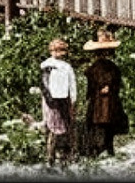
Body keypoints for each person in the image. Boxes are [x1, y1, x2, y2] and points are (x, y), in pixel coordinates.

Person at [81, 29, 129, 157]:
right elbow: (91, 81)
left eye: (106, 52)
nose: (104, 54)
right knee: (98, 124)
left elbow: (117, 81)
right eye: (102, 52)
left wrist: (110, 87)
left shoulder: (112, 67)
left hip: (110, 99)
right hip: (98, 100)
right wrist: (99, 88)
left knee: (109, 124)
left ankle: (108, 147)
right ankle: (97, 148)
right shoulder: (95, 67)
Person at [39, 37, 76, 165]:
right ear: (51, 51)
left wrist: (73, 99)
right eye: (55, 50)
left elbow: (72, 84)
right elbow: (44, 85)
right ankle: (50, 156)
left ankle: (67, 154)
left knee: (67, 127)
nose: (58, 53)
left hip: (64, 99)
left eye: (60, 51)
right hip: (51, 100)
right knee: (52, 128)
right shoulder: (46, 65)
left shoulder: (67, 67)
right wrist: (49, 100)